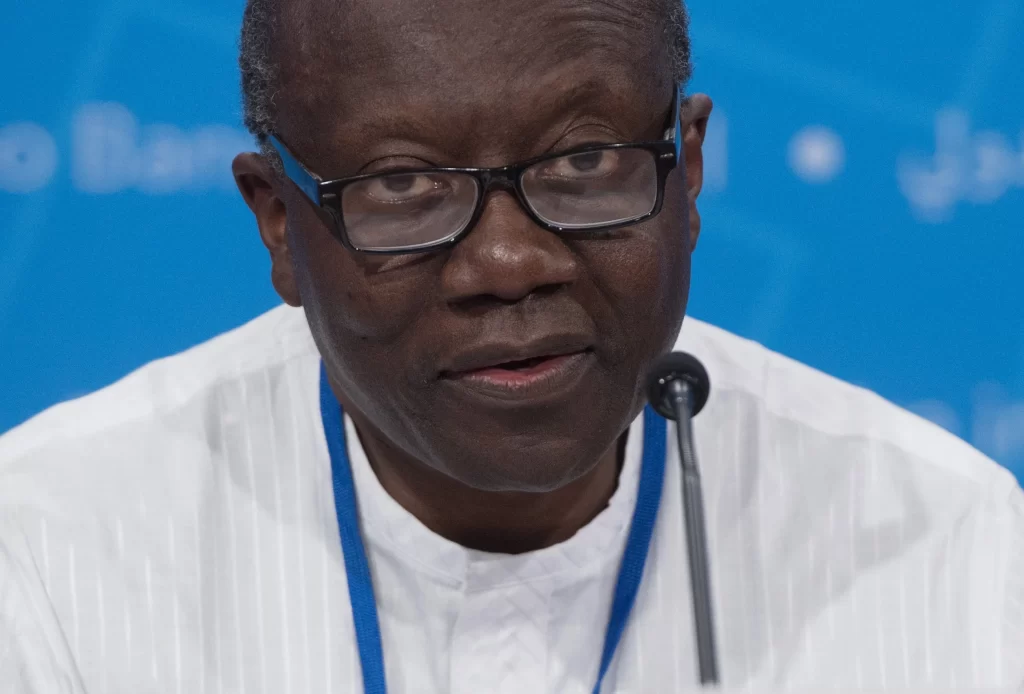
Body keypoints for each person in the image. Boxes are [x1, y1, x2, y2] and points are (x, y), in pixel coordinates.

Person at [1, 0, 1022, 691]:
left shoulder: (945, 544)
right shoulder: (48, 548)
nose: (507, 262)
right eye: (403, 184)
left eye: (584, 160)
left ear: (689, 169)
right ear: (277, 223)